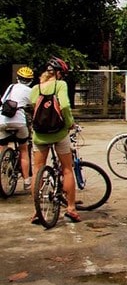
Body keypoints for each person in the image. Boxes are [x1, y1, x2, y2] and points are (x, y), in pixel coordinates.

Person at [29, 57, 79, 223]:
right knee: (67, 169)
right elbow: (64, 105)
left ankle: (38, 211)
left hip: (40, 134)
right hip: (59, 133)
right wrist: (69, 123)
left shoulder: (36, 87)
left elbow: (31, 105)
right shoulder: (60, 85)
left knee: (37, 170)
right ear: (58, 73)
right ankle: (71, 208)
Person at [0, 66, 34, 190]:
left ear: (18, 78)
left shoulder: (10, 87)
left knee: (2, 146)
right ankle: (26, 181)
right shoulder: (30, 91)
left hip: (3, 121)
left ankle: (3, 161)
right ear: (30, 80)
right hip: (19, 122)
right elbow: (33, 105)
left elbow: (3, 101)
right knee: (23, 149)